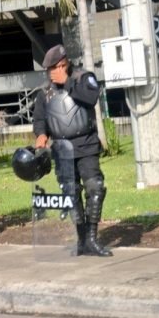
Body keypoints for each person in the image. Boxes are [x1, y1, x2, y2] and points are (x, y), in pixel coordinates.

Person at [32, 44, 112, 257]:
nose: (54, 72)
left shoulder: (84, 78)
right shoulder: (45, 91)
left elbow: (90, 98)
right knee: (70, 193)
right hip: (62, 150)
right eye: (51, 69)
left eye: (58, 67)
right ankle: (81, 239)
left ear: (65, 63)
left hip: (85, 144)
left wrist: (67, 83)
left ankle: (92, 239)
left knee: (95, 188)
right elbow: (39, 119)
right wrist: (41, 134)